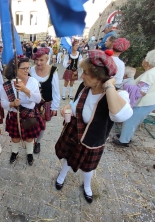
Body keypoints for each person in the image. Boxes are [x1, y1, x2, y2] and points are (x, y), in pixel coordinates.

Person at [55, 50, 133, 203]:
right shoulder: (84, 88)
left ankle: (87, 186)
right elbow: (75, 104)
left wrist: (109, 87)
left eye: (85, 73)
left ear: (98, 77)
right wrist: (67, 107)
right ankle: (62, 175)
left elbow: (119, 116)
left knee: (87, 167)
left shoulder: (119, 95)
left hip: (92, 140)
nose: (81, 76)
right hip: (74, 132)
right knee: (67, 156)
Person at [113, 50, 155, 146]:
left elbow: (142, 91)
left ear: (148, 61)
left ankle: (123, 141)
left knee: (131, 120)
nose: (143, 60)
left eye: (145, 58)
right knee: (135, 121)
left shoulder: (150, 74)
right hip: (152, 101)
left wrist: (127, 86)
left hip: (144, 102)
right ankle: (126, 136)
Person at [0, 56, 45, 165]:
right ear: (15, 70)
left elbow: (38, 99)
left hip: (29, 115)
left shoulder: (33, 81)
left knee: (29, 138)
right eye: (23, 68)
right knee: (15, 138)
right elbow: (3, 103)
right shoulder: (7, 85)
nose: (27, 71)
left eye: (28, 68)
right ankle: (14, 152)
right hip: (15, 116)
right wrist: (12, 104)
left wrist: (25, 90)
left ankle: (29, 153)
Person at [30, 48, 60, 153]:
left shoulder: (53, 70)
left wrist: (55, 107)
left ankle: (38, 142)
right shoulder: (31, 70)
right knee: (31, 122)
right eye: (36, 60)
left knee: (42, 124)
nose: (38, 62)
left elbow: (56, 90)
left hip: (46, 103)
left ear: (47, 59)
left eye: (41, 60)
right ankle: (30, 140)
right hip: (32, 103)